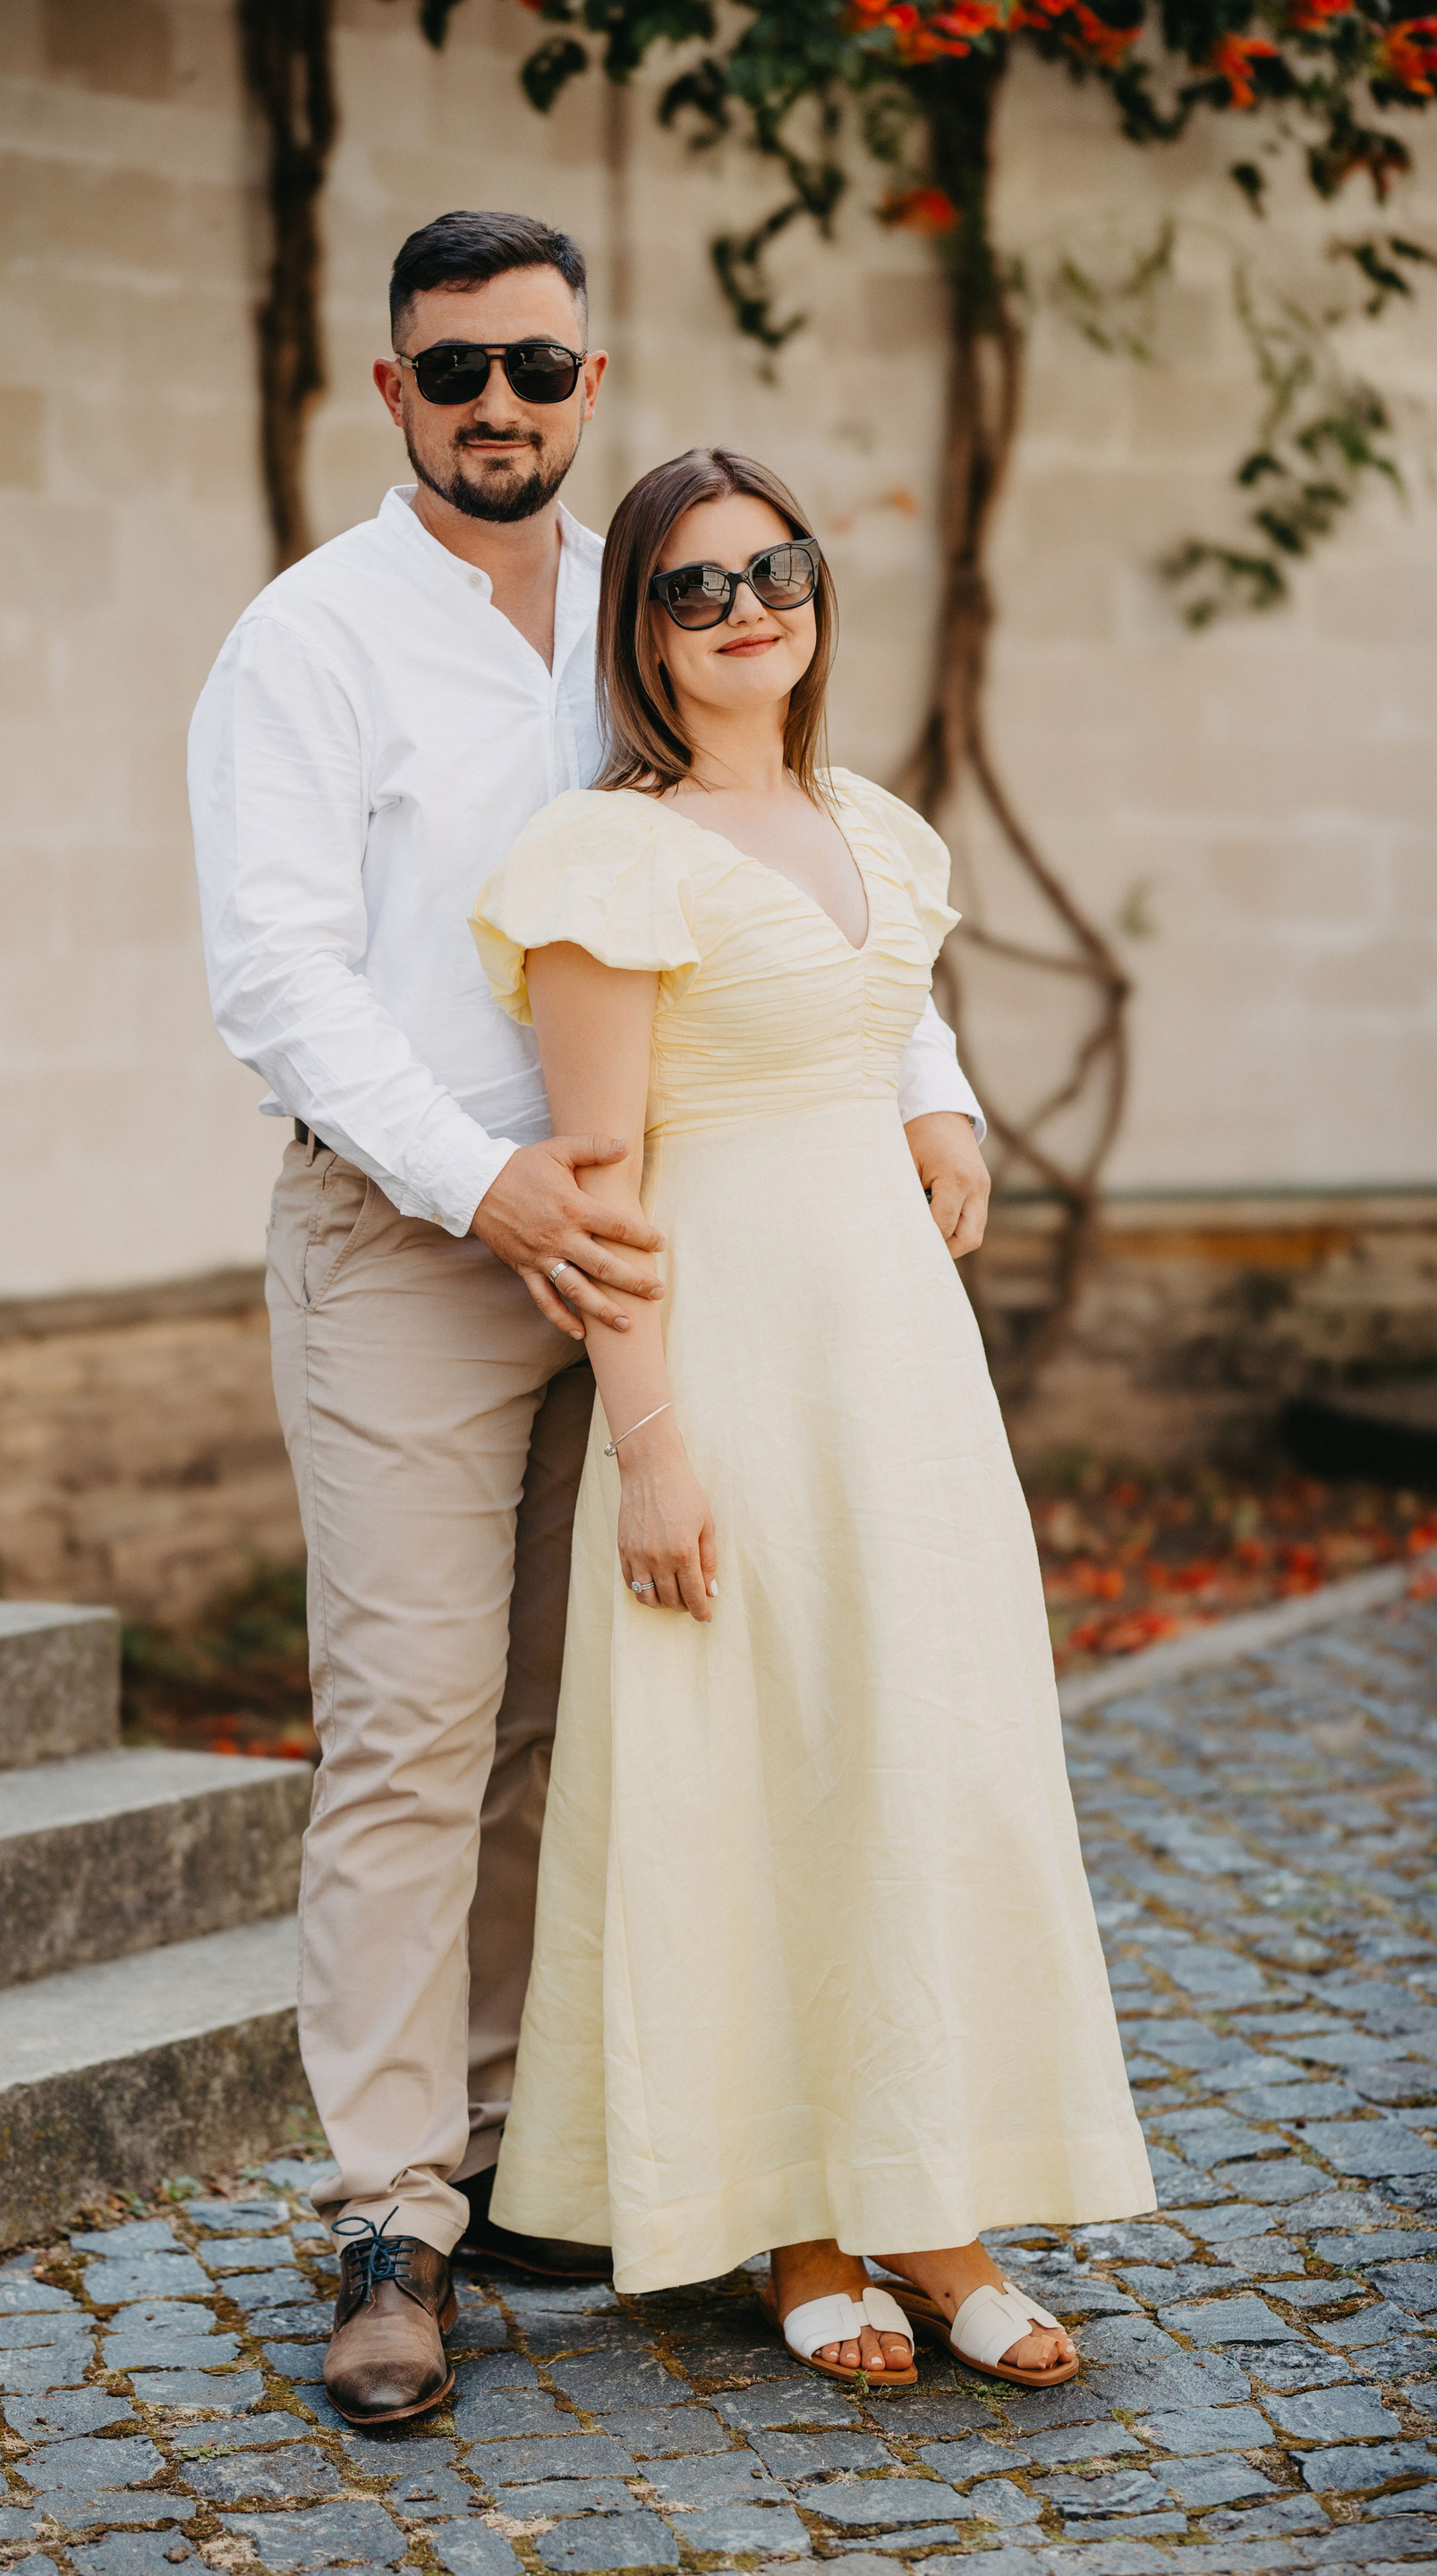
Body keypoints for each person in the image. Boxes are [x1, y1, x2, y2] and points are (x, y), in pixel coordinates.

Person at [189, 211, 992, 2427]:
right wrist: (487, 1184)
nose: (499, 405)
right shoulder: (310, 639)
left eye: (535, 367)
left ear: (589, 379)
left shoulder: (649, 601)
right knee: (418, 1730)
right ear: (392, 390)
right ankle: (393, 2218)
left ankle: (543, 2158)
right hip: (423, 1240)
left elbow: (777, 862)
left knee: (613, 1721)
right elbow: (275, 974)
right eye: (455, 369)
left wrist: (924, 1082)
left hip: (673, 1248)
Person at [469, 446, 1154, 2393]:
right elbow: (601, 1181)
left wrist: (946, 1109)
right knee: (762, 1773)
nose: (746, 608)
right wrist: (654, 1447)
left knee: (919, 1758)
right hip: (729, 1362)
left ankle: (934, 2206)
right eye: (694, 586)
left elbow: (889, 1010)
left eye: (774, 569)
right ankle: (804, 2228)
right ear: (642, 629)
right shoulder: (614, 855)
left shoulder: (875, 824)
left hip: (901, 1373)